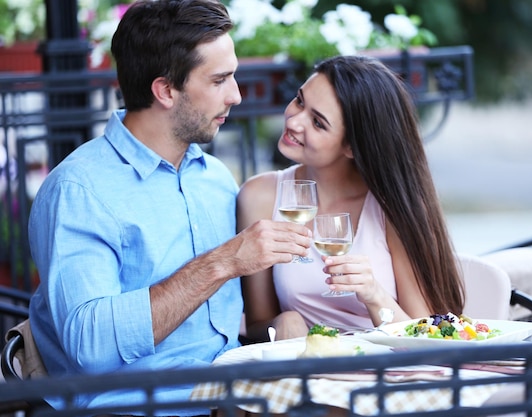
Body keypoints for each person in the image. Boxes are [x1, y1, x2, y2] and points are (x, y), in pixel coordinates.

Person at [26, 0, 311, 412]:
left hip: (232, 397)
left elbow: (242, 321)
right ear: (165, 90)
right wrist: (222, 262)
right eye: (219, 80)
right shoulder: (79, 190)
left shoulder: (213, 177)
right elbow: (91, 346)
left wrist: (283, 321)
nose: (237, 95)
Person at [238, 55, 465, 342]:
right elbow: (257, 323)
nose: (294, 121)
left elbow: (426, 336)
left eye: (318, 123)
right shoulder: (260, 197)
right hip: (306, 375)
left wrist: (373, 294)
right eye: (299, 100)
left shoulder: (390, 209)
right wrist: (285, 322)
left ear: (351, 146)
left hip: (384, 372)